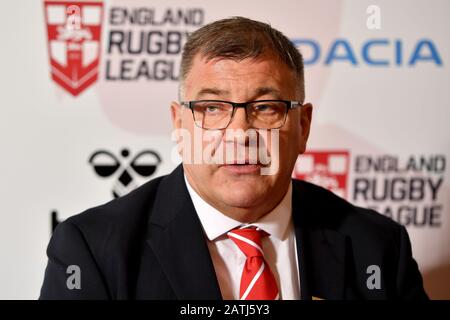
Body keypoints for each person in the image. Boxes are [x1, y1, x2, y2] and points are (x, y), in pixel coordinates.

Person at [40, 17, 428, 300]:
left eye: (266, 107)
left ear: (303, 126)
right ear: (179, 124)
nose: (240, 134)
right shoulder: (92, 250)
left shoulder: (378, 247)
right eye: (211, 108)